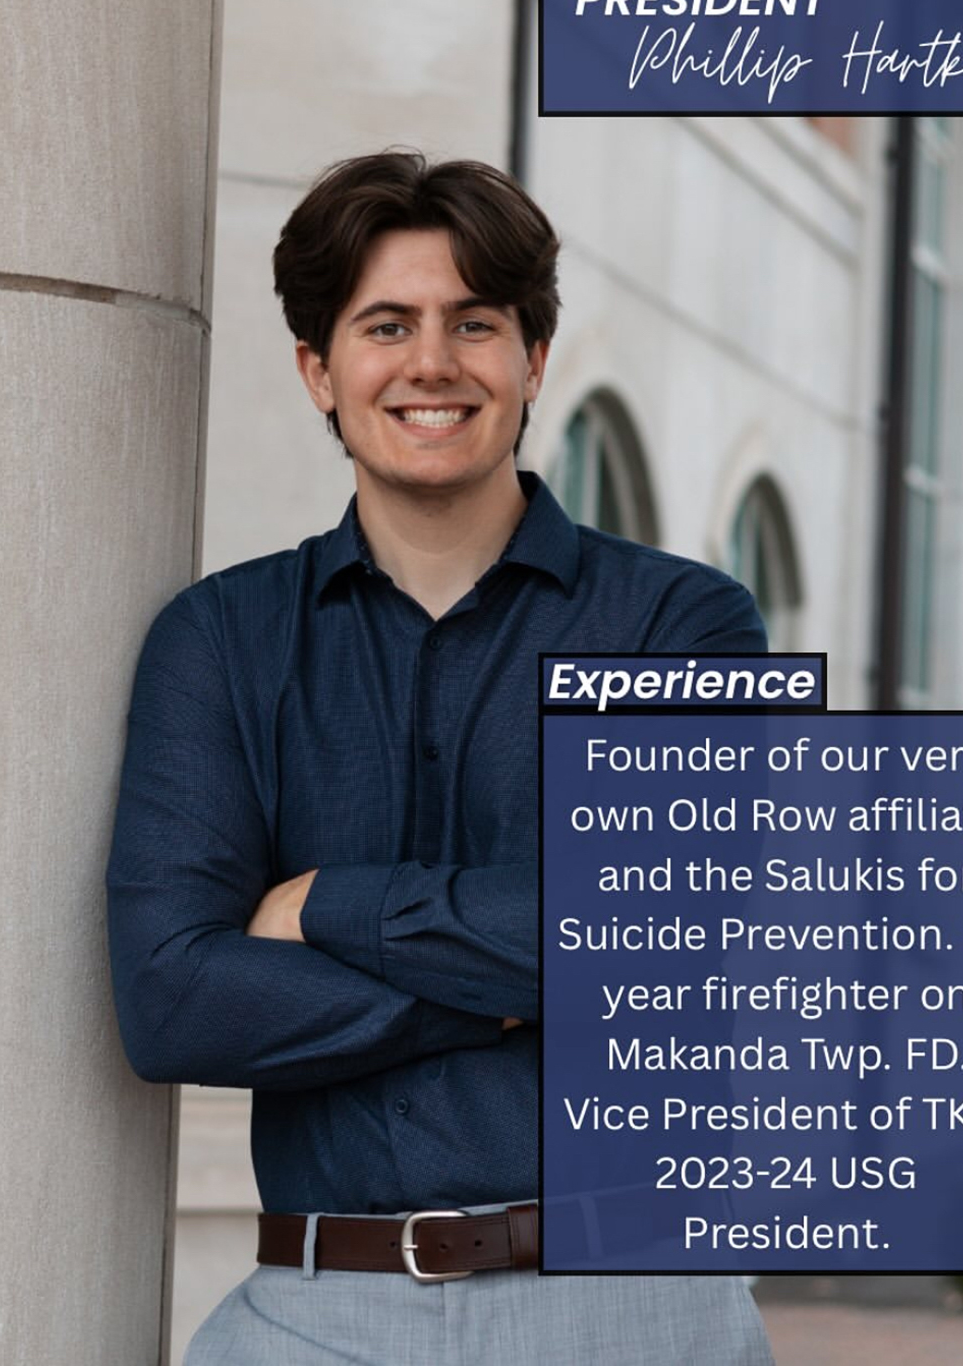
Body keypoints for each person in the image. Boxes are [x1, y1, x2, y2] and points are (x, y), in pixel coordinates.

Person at [106, 151, 775, 1364]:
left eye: (474, 323)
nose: (432, 362)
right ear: (319, 370)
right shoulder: (221, 639)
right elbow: (172, 1003)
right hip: (319, 1311)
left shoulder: (683, 626)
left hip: (632, 1301)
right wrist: (512, 988)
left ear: (533, 359)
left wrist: (331, 906)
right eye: (386, 325)